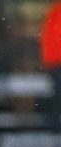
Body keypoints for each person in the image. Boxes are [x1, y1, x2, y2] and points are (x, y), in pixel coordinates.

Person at [41, 2, 61, 131]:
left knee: (57, 95)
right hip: (56, 61)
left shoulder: (54, 11)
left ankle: (54, 124)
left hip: (54, 61)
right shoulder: (56, 12)